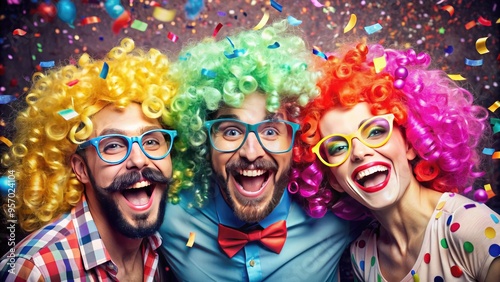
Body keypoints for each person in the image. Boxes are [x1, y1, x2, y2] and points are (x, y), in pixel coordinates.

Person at [159, 20, 357, 281]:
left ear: (296, 140)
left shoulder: (340, 214)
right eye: (231, 131)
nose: (251, 153)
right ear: (203, 140)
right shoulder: (167, 218)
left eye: (271, 130)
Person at [292, 42, 500, 281]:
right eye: (338, 147)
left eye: (375, 132)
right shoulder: (362, 253)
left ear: (411, 142)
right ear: (334, 180)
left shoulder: (472, 228)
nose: (359, 152)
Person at [0, 38, 178, 281]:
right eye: (113, 145)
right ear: (81, 169)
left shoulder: (159, 249)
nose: (139, 159)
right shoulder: (34, 270)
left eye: (151, 141)